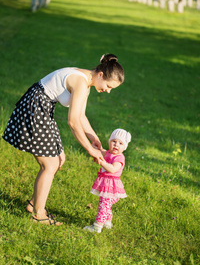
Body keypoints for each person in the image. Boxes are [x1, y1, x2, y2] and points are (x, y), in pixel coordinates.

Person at [2, 54, 124, 226]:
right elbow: (73, 122)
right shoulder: (81, 82)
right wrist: (90, 149)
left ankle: (33, 204)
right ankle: (39, 214)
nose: (108, 91)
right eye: (109, 86)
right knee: (50, 165)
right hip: (34, 109)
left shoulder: (87, 82)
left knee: (59, 159)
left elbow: (80, 116)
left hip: (43, 109)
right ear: (101, 75)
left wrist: (94, 138)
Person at [84, 128, 131, 233]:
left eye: (120, 143)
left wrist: (102, 163)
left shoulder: (119, 158)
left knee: (104, 205)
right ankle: (107, 222)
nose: (116, 145)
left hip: (112, 186)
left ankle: (97, 226)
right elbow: (100, 151)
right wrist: (96, 147)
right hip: (106, 184)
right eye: (113, 141)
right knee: (106, 204)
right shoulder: (108, 153)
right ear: (109, 142)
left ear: (125, 147)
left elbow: (113, 169)